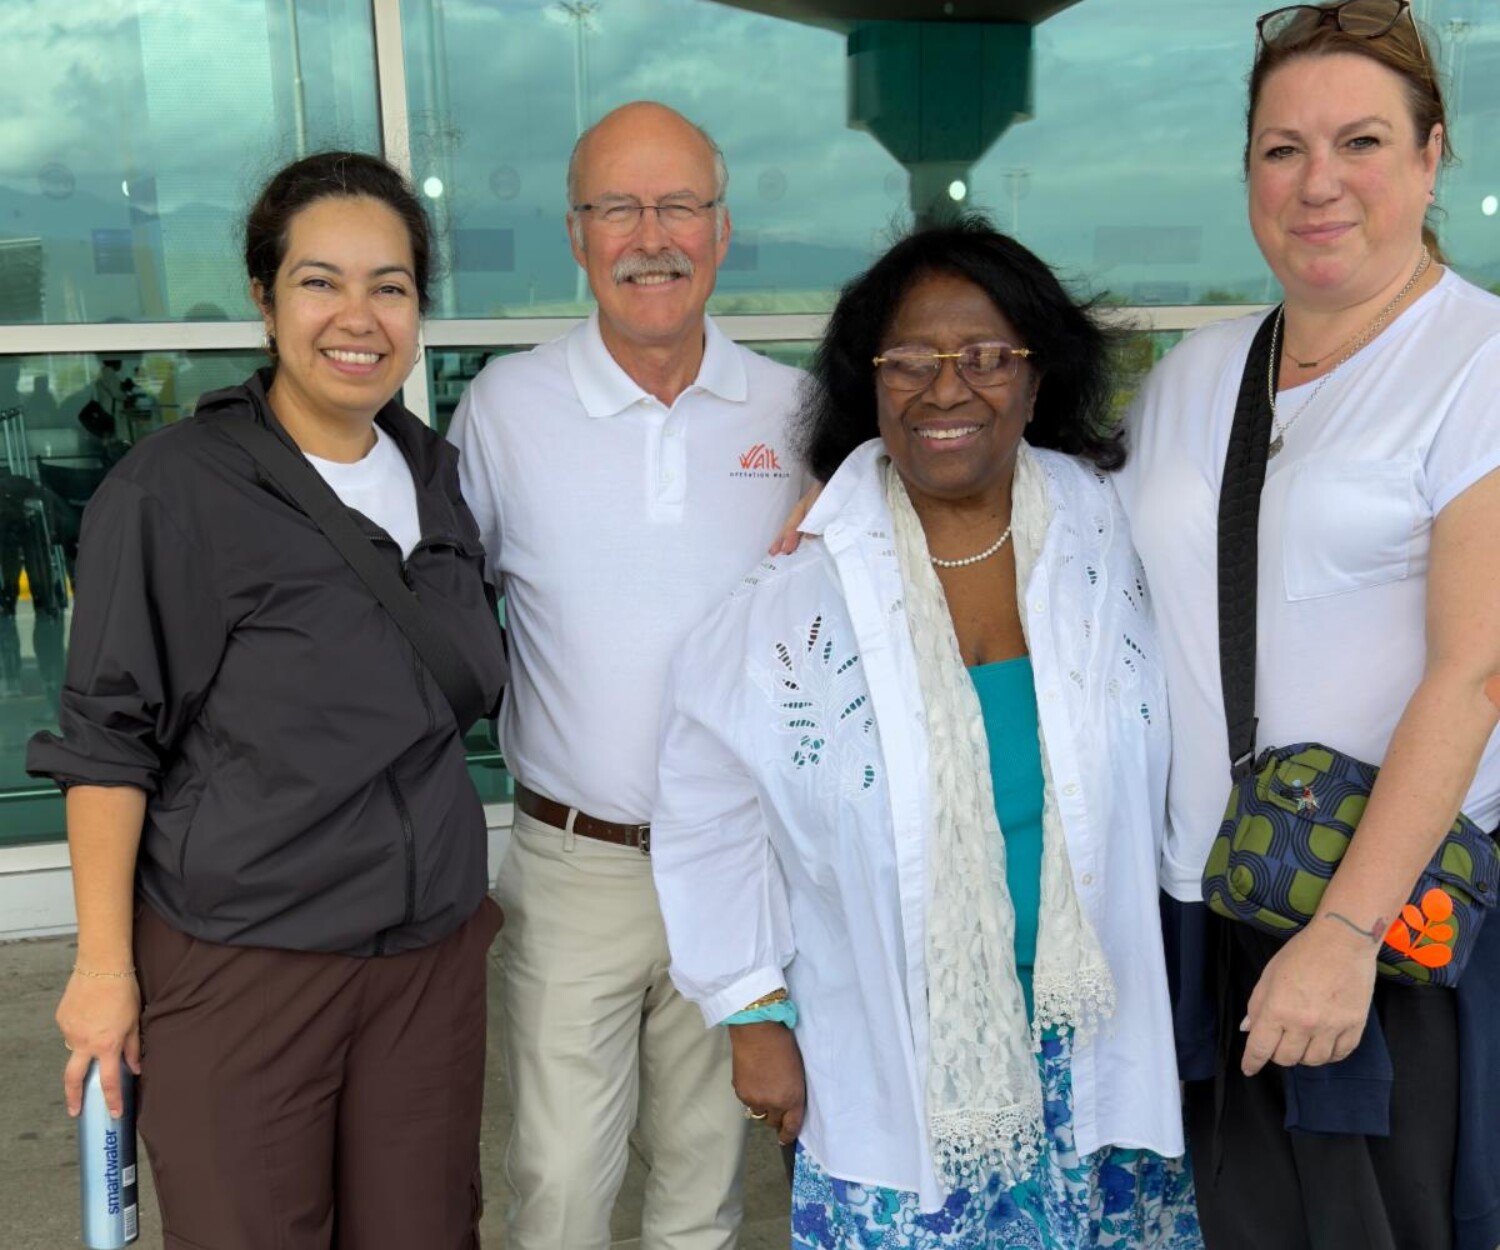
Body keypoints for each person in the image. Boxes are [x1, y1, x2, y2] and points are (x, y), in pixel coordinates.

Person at [650, 217, 1202, 1249]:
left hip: (1096, 1036)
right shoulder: (799, 599)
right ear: (870, 385)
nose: (947, 389)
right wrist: (753, 1015)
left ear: (1037, 378)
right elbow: (707, 806)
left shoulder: (1113, 542)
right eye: (909, 360)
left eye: (987, 356)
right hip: (899, 1055)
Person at [28, 150, 509, 1250]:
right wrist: (103, 970)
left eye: (390, 285)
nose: (358, 317)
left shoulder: (434, 473)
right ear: (264, 295)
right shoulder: (176, 489)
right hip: (247, 964)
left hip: (425, 964)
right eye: (318, 280)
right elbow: (108, 742)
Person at [1115, 5, 1500, 1248]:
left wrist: (1345, 932)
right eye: (1283, 149)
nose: (1318, 182)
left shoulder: (1478, 363)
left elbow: (1477, 672)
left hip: (1385, 925)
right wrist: (847, 482)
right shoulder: (1195, 373)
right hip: (1206, 903)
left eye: (1361, 142)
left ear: (1432, 157)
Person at [447, 101, 806, 1248]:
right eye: (618, 208)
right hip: (574, 863)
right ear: (575, 232)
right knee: (557, 1186)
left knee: (703, 1187)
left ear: (722, 228)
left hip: (739, 863)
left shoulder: (794, 410)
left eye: (679, 206)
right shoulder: (506, 408)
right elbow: (444, 617)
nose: (652, 237)